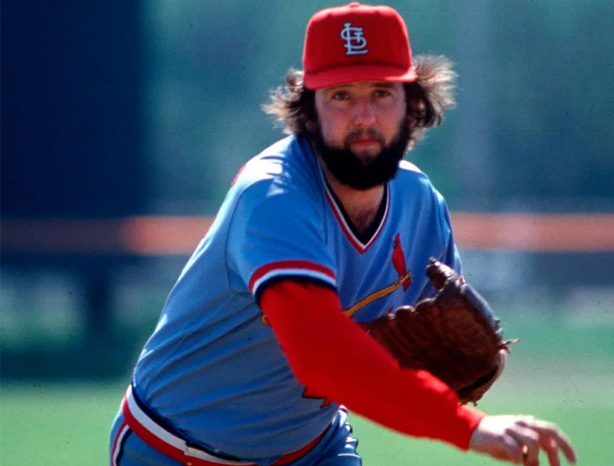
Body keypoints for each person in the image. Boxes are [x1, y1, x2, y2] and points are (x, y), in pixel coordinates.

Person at [109, 3, 577, 466]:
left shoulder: (420, 204)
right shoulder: (274, 196)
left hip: (315, 451)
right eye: (341, 96)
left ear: (412, 105)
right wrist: (465, 426)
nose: (365, 117)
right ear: (309, 112)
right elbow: (322, 357)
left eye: (382, 92)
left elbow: (445, 343)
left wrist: (473, 366)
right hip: (175, 449)